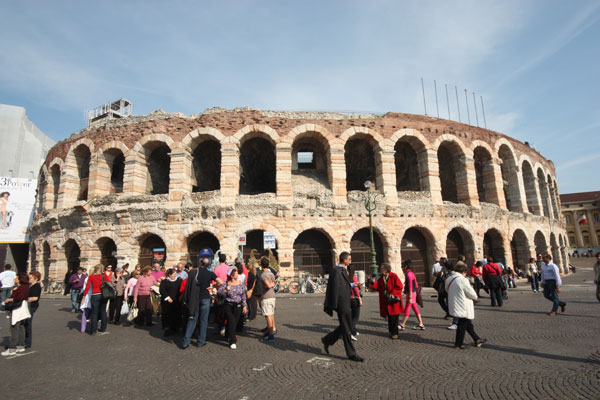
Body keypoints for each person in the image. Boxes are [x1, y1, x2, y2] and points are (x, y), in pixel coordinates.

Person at [322, 252, 363, 362]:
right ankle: (351, 354)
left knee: (346, 326)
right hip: (342, 303)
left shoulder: (342, 270)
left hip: (346, 301)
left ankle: (327, 339)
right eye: (349, 259)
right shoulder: (336, 271)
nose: (350, 261)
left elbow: (344, 284)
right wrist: (334, 304)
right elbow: (335, 288)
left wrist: (354, 285)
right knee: (347, 328)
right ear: (344, 260)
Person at [180, 256, 223, 349]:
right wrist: (213, 287)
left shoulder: (194, 272)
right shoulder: (210, 273)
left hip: (194, 298)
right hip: (205, 298)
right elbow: (221, 282)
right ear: (208, 265)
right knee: (204, 321)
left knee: (192, 319)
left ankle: (186, 342)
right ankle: (201, 341)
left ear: (200, 264)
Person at [446, 263, 486, 349]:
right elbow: (472, 293)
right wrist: (475, 297)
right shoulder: (463, 280)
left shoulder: (449, 279)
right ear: (463, 272)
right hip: (463, 304)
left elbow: (447, 289)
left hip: (455, 303)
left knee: (467, 324)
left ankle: (477, 339)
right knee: (462, 324)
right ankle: (458, 343)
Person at [370, 263, 403, 339]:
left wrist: (393, 293)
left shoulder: (393, 276)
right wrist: (373, 282)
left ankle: (395, 333)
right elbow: (378, 287)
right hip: (386, 300)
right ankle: (391, 331)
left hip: (393, 300)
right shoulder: (381, 278)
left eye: (381, 268)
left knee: (394, 317)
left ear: (385, 270)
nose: (380, 270)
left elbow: (399, 286)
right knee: (389, 316)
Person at [218, 268, 247, 349]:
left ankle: (227, 334)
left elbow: (243, 295)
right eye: (236, 273)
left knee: (234, 322)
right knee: (232, 321)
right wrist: (225, 290)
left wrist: (244, 306)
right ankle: (232, 341)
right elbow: (219, 293)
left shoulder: (240, 284)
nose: (238, 275)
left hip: (237, 305)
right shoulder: (226, 283)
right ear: (231, 275)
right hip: (228, 305)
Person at [1, 272, 29, 355]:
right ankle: (20, 345)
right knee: (21, 327)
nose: (14, 279)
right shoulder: (25, 287)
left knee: (14, 327)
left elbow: (19, 297)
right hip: (22, 308)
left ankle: (12, 348)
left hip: (17, 309)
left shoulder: (21, 288)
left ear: (20, 279)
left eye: (16, 278)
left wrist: (10, 299)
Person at [82, 264, 110, 335]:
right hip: (103, 295)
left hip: (95, 295)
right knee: (103, 311)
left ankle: (93, 330)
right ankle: (103, 328)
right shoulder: (104, 276)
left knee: (94, 313)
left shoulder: (91, 277)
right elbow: (110, 283)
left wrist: (84, 297)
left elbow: (87, 287)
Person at [399, 260, 425, 331]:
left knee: (407, 309)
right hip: (413, 293)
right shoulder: (410, 273)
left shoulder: (408, 274)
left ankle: (403, 324)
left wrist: (410, 296)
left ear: (406, 267)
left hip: (411, 294)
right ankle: (421, 323)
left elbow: (411, 286)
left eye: (402, 266)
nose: (402, 268)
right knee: (415, 309)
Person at [259, 256, 277, 342]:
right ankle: (272, 330)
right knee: (271, 314)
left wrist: (271, 285)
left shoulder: (263, 275)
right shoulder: (271, 274)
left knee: (268, 316)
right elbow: (275, 282)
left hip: (266, 297)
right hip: (273, 296)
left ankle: (271, 336)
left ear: (261, 265)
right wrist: (273, 284)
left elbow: (269, 285)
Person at [159, 268, 182, 336]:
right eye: (173, 274)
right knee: (167, 315)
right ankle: (167, 329)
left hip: (176, 301)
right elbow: (162, 290)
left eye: (175, 274)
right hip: (167, 302)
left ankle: (175, 328)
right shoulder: (165, 281)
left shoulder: (179, 281)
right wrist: (167, 297)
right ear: (169, 275)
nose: (175, 275)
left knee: (176, 315)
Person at [25, 271, 42, 348]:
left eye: (30, 278)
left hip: (32, 306)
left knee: (28, 324)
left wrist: (24, 299)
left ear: (36, 279)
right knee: (26, 323)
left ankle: (27, 342)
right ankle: (25, 340)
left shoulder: (36, 286)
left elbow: (35, 298)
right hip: (29, 306)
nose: (29, 279)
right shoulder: (31, 285)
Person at [348, 265, 362, 340]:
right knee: (355, 317)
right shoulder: (354, 277)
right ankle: (349, 332)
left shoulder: (346, 277)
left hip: (348, 299)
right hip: (354, 298)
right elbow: (356, 289)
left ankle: (354, 331)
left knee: (351, 316)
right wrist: (359, 298)